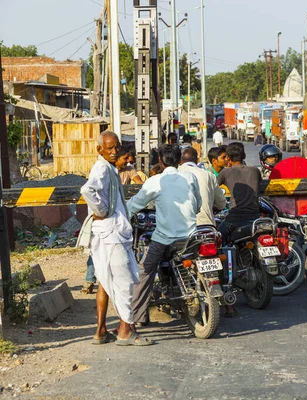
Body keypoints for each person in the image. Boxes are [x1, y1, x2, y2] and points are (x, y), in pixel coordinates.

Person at [78, 130, 151, 346]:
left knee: (105, 281)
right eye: (109, 148)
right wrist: (102, 209)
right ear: (99, 149)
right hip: (111, 234)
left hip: (111, 232)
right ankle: (125, 331)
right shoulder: (101, 168)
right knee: (124, 281)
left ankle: (101, 332)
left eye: (116, 147)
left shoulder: (109, 168)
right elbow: (87, 189)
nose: (114, 151)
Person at [127, 144, 202, 327]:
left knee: (144, 271)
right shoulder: (190, 176)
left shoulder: (155, 181)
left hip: (165, 239)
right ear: (179, 160)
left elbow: (134, 205)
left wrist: (119, 216)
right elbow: (198, 203)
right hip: (192, 236)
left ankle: (137, 317)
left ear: (160, 161)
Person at [217, 142, 262, 241]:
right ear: (244, 156)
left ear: (228, 158)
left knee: (218, 239)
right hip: (255, 217)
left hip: (235, 218)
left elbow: (214, 188)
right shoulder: (255, 170)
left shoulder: (225, 172)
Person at [179, 147, 227, 226]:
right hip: (205, 226)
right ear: (197, 160)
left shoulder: (173, 174)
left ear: (180, 161)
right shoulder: (208, 175)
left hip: (180, 228)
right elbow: (221, 204)